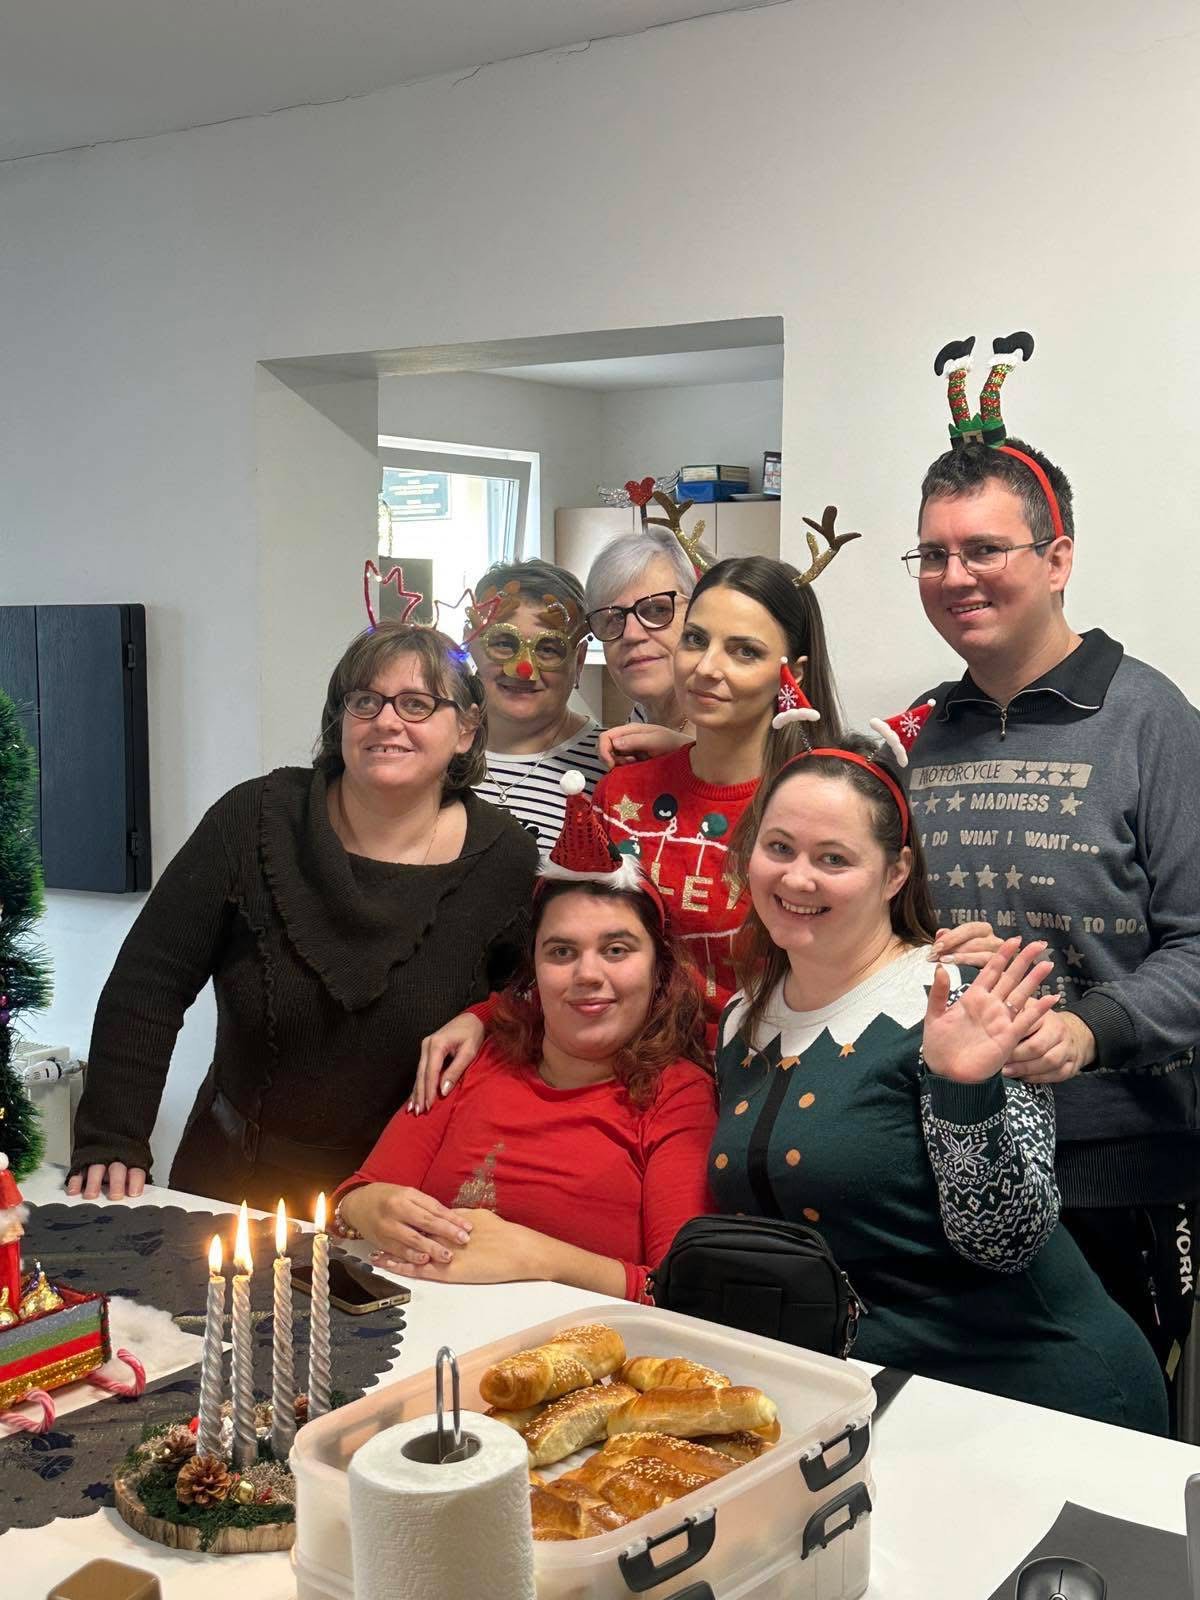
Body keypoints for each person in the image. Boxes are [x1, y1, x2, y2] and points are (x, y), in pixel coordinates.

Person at [709, 735, 1167, 1431]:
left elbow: (1009, 1238)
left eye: (833, 858)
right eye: (779, 848)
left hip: (1033, 1393)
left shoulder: (963, 998)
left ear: (895, 874)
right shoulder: (742, 1020)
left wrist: (965, 1092)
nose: (797, 879)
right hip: (871, 1397)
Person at [904, 342, 1200, 1392]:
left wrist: (1086, 1028)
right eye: (932, 555)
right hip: (956, 1149)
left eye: (984, 549)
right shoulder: (925, 732)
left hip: (1120, 1168)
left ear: (1058, 558)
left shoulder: (1151, 719)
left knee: (1112, 1430)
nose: (955, 577)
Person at [68, 620, 538, 1210]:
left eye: (417, 704)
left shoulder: (505, 859)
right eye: (365, 701)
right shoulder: (254, 817)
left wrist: (486, 1016)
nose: (387, 721)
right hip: (231, 1185)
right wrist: (113, 1136)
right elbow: (150, 982)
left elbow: (531, 1003)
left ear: (466, 729)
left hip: (405, 1205)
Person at [331, 791, 716, 1302]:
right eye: (562, 952)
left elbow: (680, 1293)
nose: (587, 974)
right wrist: (365, 1207)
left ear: (659, 969)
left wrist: (540, 1258)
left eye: (616, 950)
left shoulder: (679, 1096)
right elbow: (358, 1192)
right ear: (533, 969)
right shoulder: (476, 1059)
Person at [588, 551, 846, 1032]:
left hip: (769, 1063)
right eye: (695, 639)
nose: (706, 667)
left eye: (744, 651)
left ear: (793, 674)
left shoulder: (827, 807)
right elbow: (574, 942)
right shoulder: (620, 795)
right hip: (630, 1061)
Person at [466, 558, 607, 852]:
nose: (524, 670)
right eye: (504, 643)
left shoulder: (611, 769)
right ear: (472, 643)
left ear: (579, 660)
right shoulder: (436, 753)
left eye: (548, 649)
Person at [583, 524, 698, 733]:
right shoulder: (639, 719)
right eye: (614, 618)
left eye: (657, 610)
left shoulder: (731, 736)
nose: (631, 634)